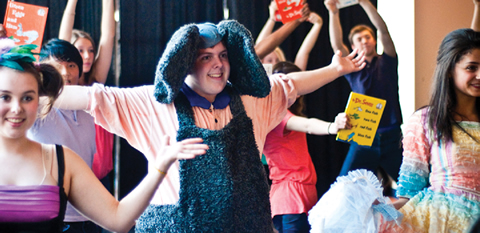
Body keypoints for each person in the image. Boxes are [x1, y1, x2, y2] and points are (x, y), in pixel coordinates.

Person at [53, 20, 365, 232]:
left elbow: (290, 84)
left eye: (223, 55)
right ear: (184, 62)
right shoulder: (154, 103)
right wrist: (30, 93)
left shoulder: (251, 100)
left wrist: (334, 69)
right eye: (206, 57)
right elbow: (91, 97)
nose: (218, 64)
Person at [0, 39, 208, 233]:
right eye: (5, 97)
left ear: (40, 101)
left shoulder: (61, 160)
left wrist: (160, 167)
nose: (17, 108)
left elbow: (118, 219)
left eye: (27, 97)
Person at [380, 28, 480, 233]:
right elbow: (409, 193)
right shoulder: (426, 120)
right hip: (440, 222)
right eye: (471, 67)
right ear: (450, 70)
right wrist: (373, 213)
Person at [25, 38, 104, 232]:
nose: (65, 73)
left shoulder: (89, 106)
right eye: (57, 65)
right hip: (45, 217)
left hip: (89, 215)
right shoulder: (35, 107)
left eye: (71, 65)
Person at [263, 61, 350, 233]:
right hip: (291, 196)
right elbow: (308, 125)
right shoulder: (277, 116)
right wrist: (332, 127)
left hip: (296, 194)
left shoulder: (278, 113)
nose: (294, 91)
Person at [324, 0, 403, 183]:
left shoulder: (388, 60)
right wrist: (333, 13)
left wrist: (365, 3)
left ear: (374, 40)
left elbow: (383, 30)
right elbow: (337, 46)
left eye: (367, 37)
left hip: (391, 136)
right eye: (359, 39)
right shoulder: (353, 68)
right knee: (344, 185)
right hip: (362, 137)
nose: (364, 41)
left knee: (413, 186)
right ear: (353, 47)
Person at [59, 0, 115, 187]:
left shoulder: (95, 82)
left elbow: (108, 37)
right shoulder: (63, 85)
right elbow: (62, 41)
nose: (88, 56)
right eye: (80, 51)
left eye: (91, 51)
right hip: (71, 174)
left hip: (99, 177)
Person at [257, 1, 323, 71]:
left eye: (278, 60)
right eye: (269, 60)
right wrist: (272, 19)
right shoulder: (257, 75)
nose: (275, 64)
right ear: (261, 62)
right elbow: (258, 50)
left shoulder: (288, 77)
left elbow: (303, 53)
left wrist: (317, 25)